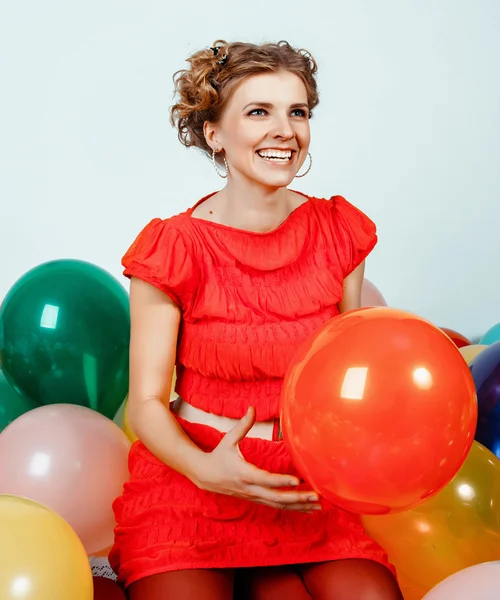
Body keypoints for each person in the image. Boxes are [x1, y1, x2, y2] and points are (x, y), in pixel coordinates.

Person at [108, 39, 403, 600]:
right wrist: (205, 471)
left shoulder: (339, 231)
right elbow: (146, 404)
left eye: (298, 112)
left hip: (306, 482)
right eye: (258, 112)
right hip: (194, 481)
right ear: (214, 133)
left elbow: (350, 377)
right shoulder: (172, 247)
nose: (284, 130)